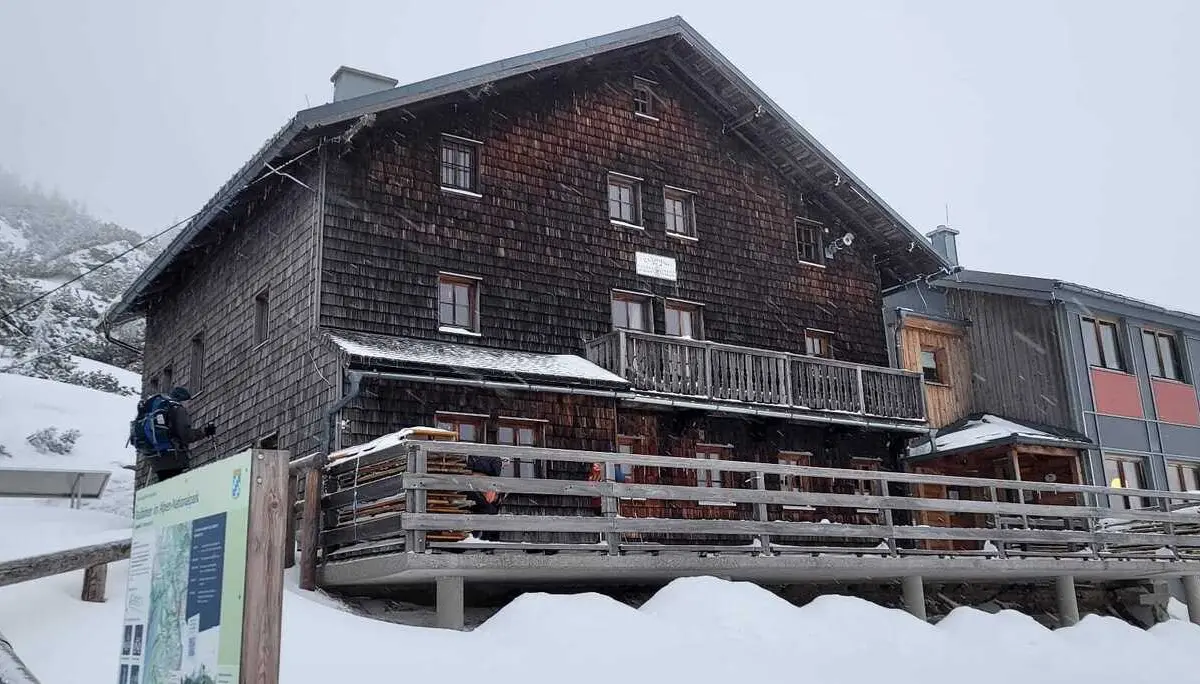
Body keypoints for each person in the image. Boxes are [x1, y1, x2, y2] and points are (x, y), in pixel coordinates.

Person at [131, 386, 215, 483]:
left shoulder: (162, 409)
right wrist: (204, 432)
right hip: (173, 457)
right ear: (182, 400)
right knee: (176, 487)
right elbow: (185, 434)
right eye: (188, 402)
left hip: (156, 458)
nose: (189, 405)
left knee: (166, 485)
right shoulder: (178, 409)